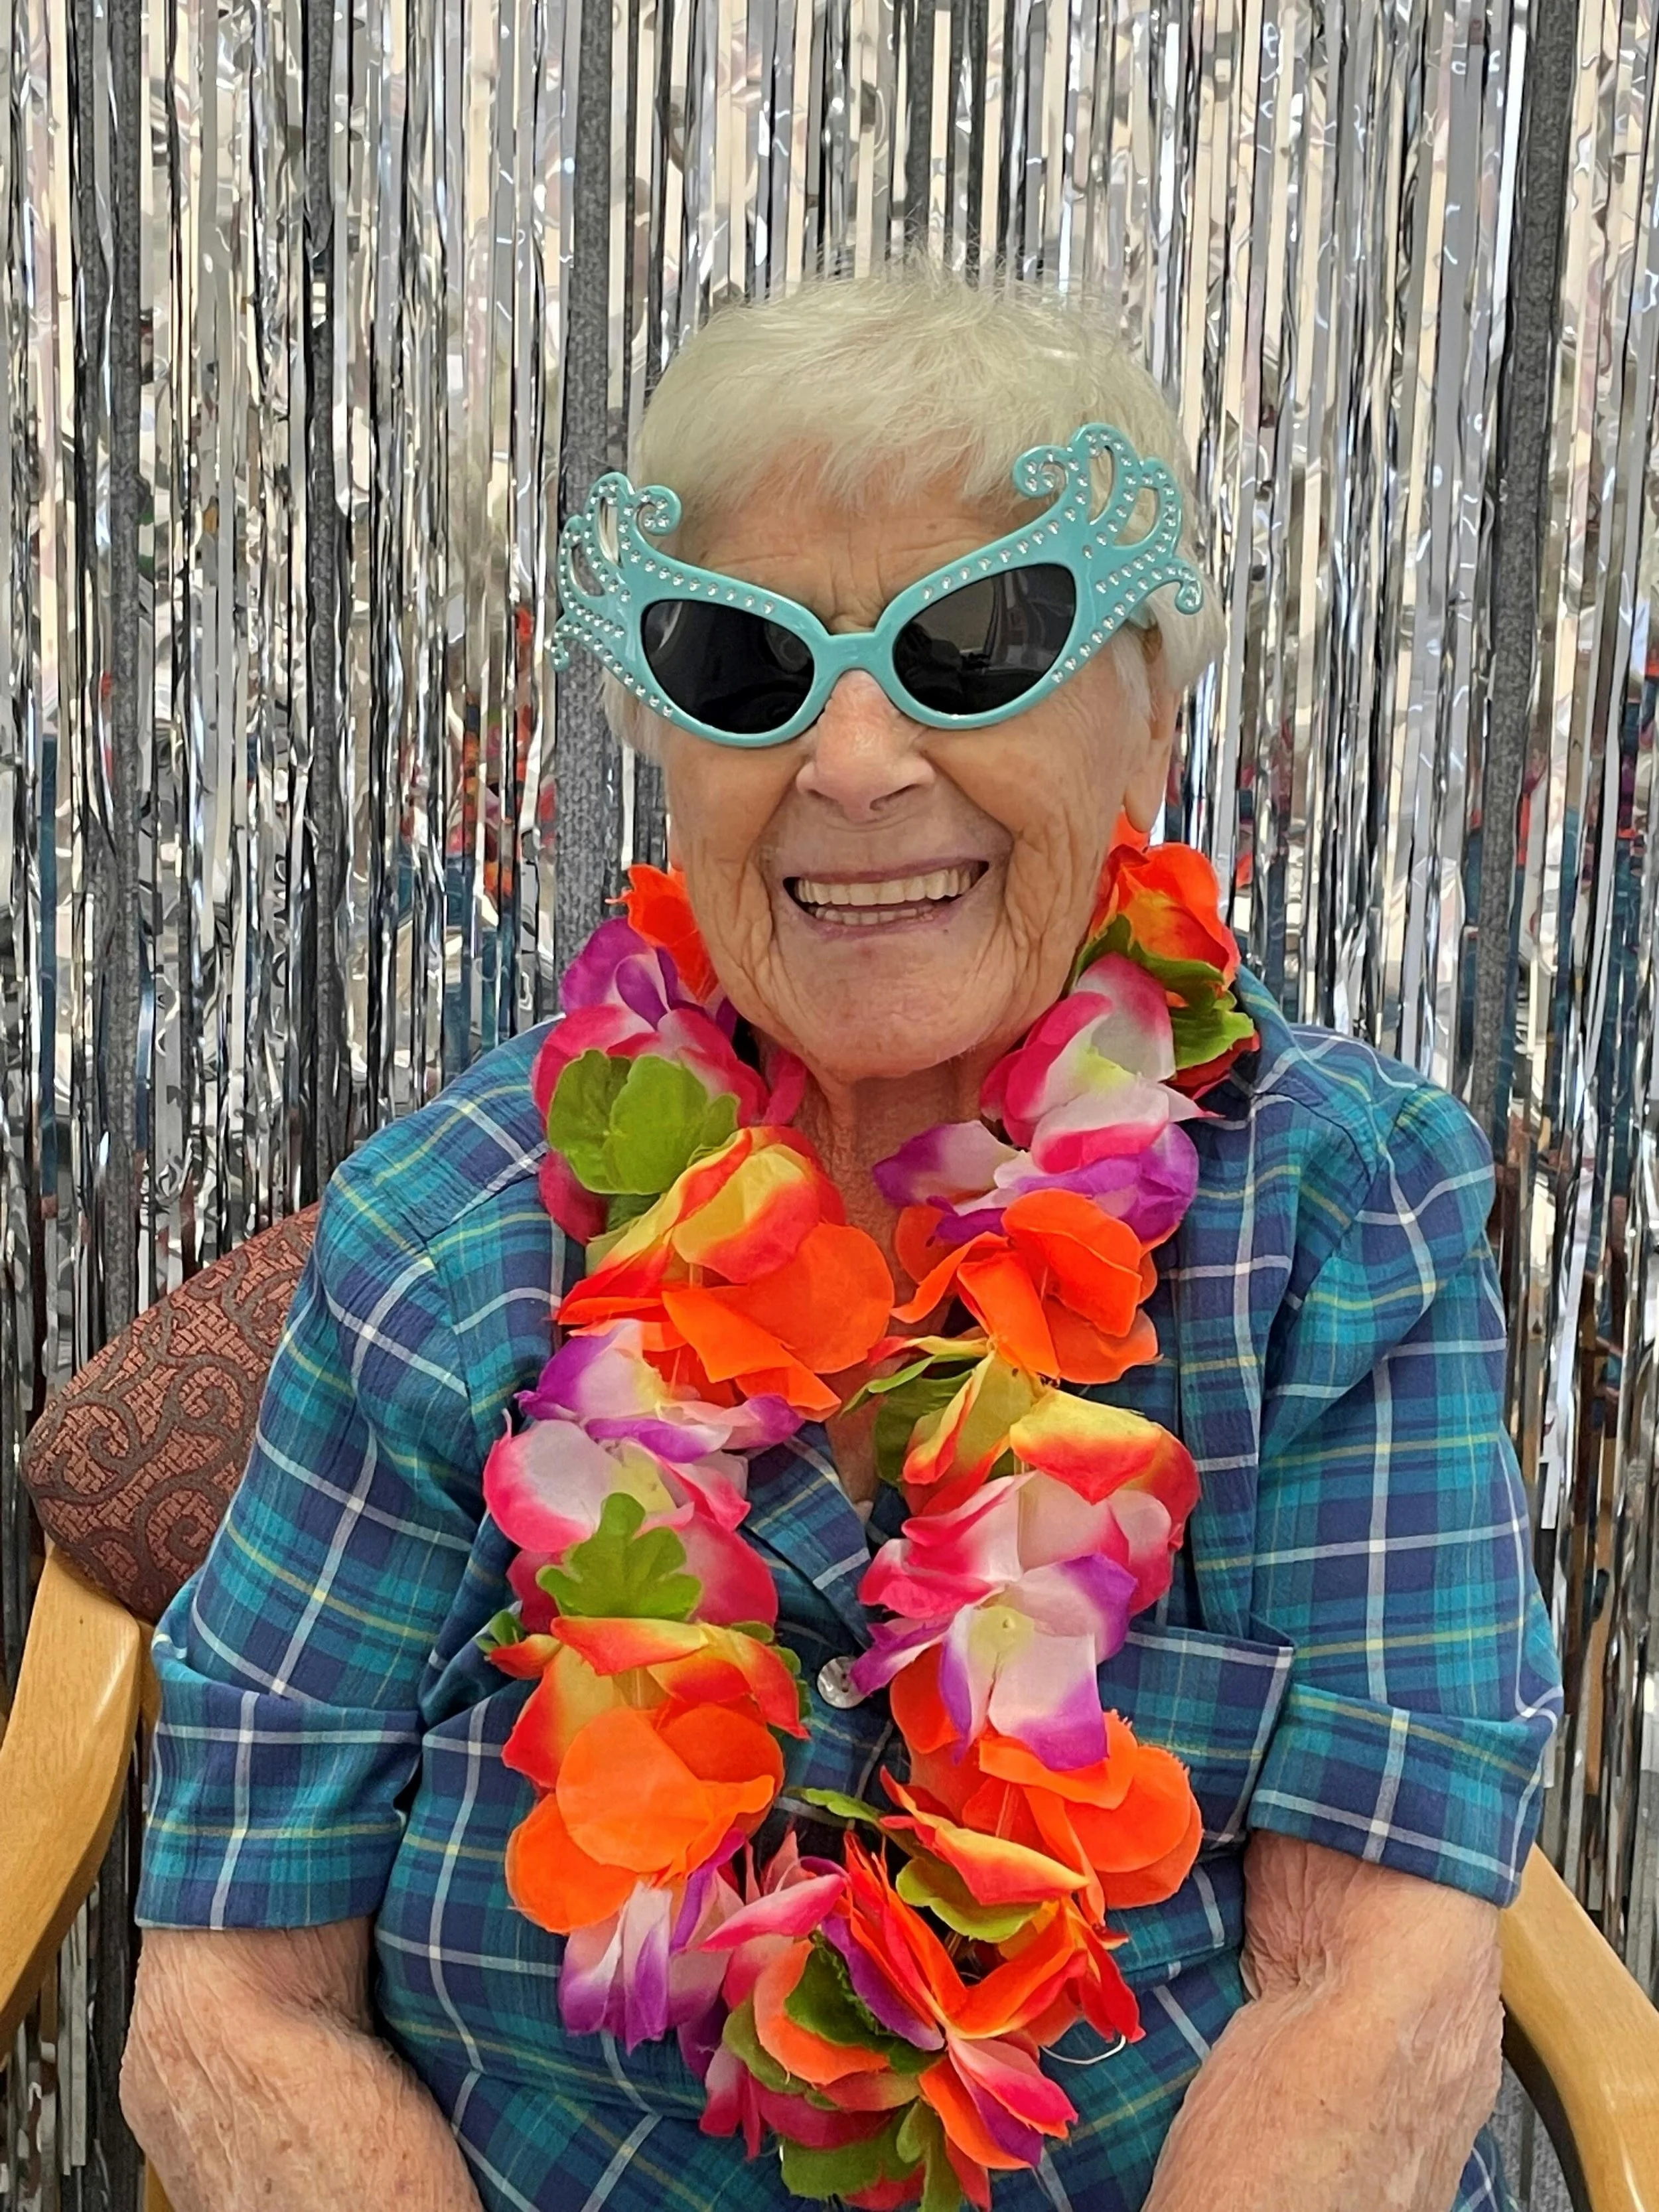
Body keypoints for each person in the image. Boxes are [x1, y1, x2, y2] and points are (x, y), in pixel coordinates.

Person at [120, 266, 1561, 2212]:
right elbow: (232, 2002)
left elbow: (1366, 1987)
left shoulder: (1331, 1210)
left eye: (981, 640)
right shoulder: (443, 1234)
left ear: (1147, 717)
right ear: (664, 737)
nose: (859, 761)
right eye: (747, 664)